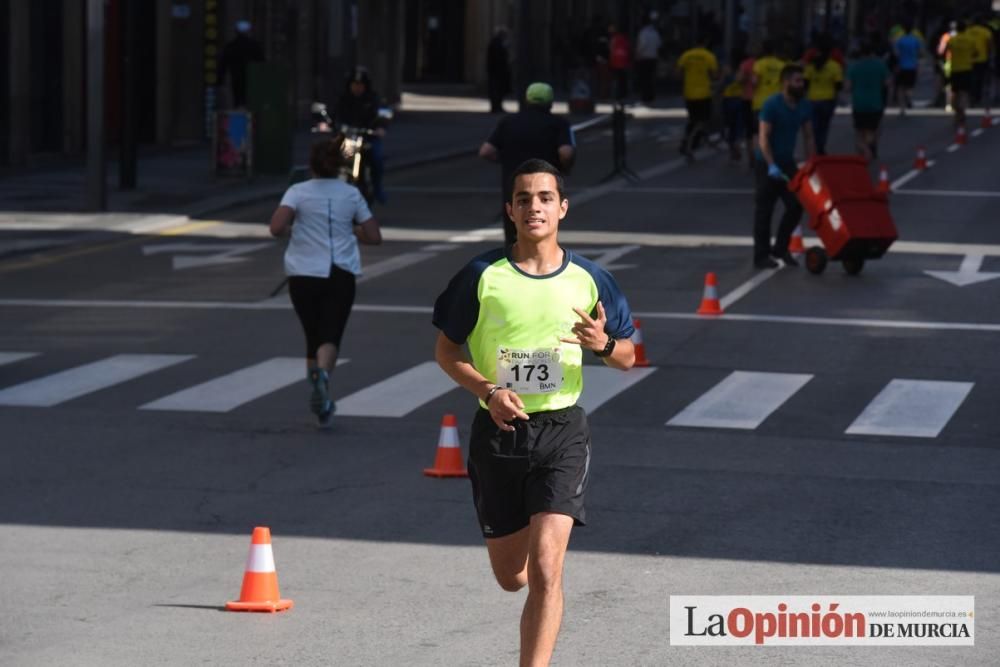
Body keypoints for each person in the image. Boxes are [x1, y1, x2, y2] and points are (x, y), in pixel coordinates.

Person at [432, 158, 636, 667]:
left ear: (562, 208)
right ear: (510, 210)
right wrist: (488, 391)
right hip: (499, 430)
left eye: (545, 197)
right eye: (523, 198)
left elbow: (630, 356)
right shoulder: (482, 276)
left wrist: (604, 342)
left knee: (547, 569)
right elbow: (447, 350)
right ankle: (515, 556)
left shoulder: (591, 279)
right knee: (512, 577)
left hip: (562, 429)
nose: (534, 207)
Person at [268, 137, 382, 427]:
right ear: (340, 166)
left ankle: (319, 390)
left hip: (303, 273)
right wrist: (350, 230)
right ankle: (324, 381)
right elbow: (374, 236)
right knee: (331, 334)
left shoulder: (297, 192)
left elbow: (276, 227)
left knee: (312, 335)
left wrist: (294, 229)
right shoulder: (351, 194)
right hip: (339, 271)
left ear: (312, 166)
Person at [479, 83, 576, 246]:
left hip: (514, 185)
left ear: (527, 100)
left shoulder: (508, 122)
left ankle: (513, 265)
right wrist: (564, 167)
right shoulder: (558, 124)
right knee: (542, 230)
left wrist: (505, 160)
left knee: (513, 235)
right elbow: (566, 152)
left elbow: (486, 151)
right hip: (545, 184)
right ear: (550, 102)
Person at [753, 64, 816, 269]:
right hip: (767, 162)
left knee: (797, 204)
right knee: (765, 210)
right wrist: (771, 165)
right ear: (786, 82)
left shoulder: (803, 106)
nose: (801, 84)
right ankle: (761, 255)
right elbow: (763, 138)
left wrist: (811, 164)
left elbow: (808, 136)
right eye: (797, 81)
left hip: (787, 163)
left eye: (802, 81)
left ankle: (780, 247)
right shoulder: (772, 104)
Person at [336, 67, 388, 204]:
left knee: (377, 159)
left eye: (360, 85)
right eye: (354, 84)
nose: (357, 88)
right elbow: (335, 116)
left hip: (369, 138)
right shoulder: (344, 99)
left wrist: (381, 128)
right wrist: (329, 125)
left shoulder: (373, 98)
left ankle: (377, 188)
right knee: (340, 161)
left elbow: (384, 113)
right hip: (350, 139)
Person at [845, 41, 892, 160]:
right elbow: (888, 83)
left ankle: (862, 153)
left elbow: (847, 87)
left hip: (859, 104)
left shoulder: (854, 66)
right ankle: (868, 148)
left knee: (859, 131)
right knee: (872, 130)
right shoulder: (880, 65)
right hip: (875, 103)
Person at [676, 35, 719, 160]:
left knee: (693, 118)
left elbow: (678, 73)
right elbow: (714, 75)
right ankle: (688, 143)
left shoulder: (686, 55)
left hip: (689, 93)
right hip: (703, 93)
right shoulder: (709, 56)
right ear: (705, 43)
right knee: (702, 120)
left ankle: (694, 141)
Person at [804, 38, 843, 153]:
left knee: (813, 127)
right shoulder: (834, 66)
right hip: (828, 100)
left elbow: (805, 83)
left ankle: (814, 148)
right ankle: (821, 147)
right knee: (824, 126)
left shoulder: (810, 66)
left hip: (812, 100)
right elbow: (838, 85)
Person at [218, 20, 264, 108]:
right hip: (251, 80)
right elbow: (262, 63)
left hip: (236, 77)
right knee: (249, 102)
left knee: (238, 100)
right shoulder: (254, 46)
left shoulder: (231, 46)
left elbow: (223, 65)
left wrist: (220, 80)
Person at [750, 40, 787, 151]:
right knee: (776, 132)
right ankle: (773, 155)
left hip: (760, 103)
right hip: (778, 103)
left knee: (759, 132)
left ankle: (759, 156)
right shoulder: (782, 65)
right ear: (774, 51)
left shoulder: (759, 64)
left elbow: (754, 82)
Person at [945, 21, 979, 132]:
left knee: (954, 92)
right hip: (967, 69)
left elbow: (947, 51)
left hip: (955, 69)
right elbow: (975, 53)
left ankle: (957, 113)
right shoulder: (971, 40)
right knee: (964, 92)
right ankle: (963, 110)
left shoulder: (952, 40)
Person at [721, 48, 750, 161]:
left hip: (728, 100)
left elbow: (722, 83)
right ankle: (737, 144)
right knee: (739, 125)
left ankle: (732, 149)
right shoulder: (744, 69)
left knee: (730, 125)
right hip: (740, 99)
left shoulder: (727, 69)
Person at [893, 21, 923, 115]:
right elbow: (920, 52)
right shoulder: (915, 40)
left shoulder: (900, 40)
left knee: (900, 87)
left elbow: (896, 53)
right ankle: (908, 98)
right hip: (912, 66)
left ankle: (902, 108)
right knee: (910, 86)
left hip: (902, 66)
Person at [634, 13, 663, 104]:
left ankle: (645, 97)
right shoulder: (655, 32)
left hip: (644, 58)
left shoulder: (643, 33)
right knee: (651, 78)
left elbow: (642, 45)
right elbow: (659, 44)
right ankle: (651, 96)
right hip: (653, 58)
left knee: (644, 78)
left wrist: (637, 54)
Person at [967, 16, 994, 108]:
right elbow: (989, 45)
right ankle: (977, 97)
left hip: (968, 59)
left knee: (970, 78)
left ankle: (971, 96)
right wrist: (990, 54)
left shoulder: (968, 31)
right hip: (982, 59)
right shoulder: (986, 32)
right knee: (980, 79)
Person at [487, 27, 512, 113]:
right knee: (496, 91)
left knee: (498, 91)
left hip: (497, 72)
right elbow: (498, 59)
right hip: (497, 72)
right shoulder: (497, 44)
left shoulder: (497, 43)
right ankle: (496, 107)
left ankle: (497, 107)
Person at [608, 22, 632, 100]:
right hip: (624, 62)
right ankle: (622, 94)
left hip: (615, 62)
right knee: (622, 79)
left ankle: (616, 94)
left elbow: (611, 50)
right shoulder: (625, 40)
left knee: (616, 79)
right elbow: (629, 51)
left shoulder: (614, 39)